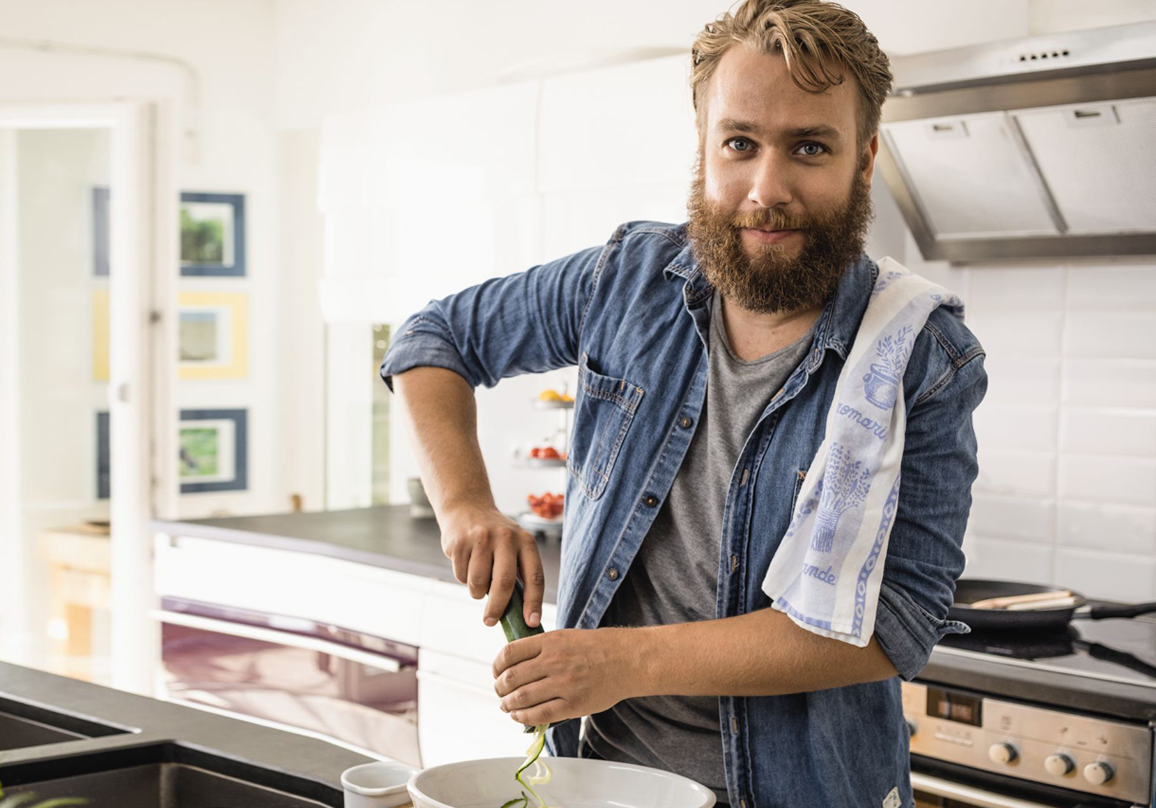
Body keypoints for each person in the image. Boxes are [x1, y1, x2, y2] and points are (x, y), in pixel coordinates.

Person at [379, 1, 986, 805]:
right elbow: (433, 338)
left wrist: (623, 663)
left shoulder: (923, 357)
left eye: (809, 147)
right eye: (740, 143)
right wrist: (464, 507)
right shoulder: (627, 282)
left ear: (864, 158)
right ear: (703, 147)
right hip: (600, 784)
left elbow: (895, 623)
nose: (767, 190)